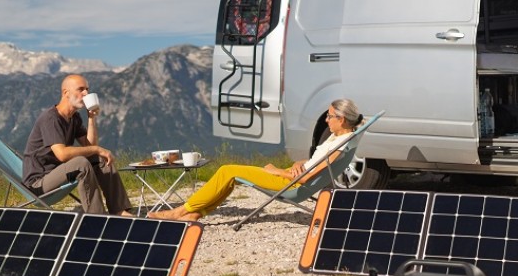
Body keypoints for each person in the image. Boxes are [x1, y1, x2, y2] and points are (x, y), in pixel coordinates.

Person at [148, 98, 364, 222]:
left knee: (227, 170)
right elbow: (314, 164)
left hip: (290, 183)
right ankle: (195, 212)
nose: (326, 121)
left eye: (329, 116)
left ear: (341, 119)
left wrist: (276, 170)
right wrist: (299, 164)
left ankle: (180, 212)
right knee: (230, 175)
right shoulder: (343, 137)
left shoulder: (338, 144)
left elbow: (306, 178)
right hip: (294, 175)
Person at [22, 74, 133, 216]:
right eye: (81, 89)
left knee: (101, 159)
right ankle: (98, 217)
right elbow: (62, 154)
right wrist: (97, 149)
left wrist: (91, 118)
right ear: (65, 93)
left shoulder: (74, 118)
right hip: (38, 184)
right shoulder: (51, 118)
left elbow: (91, 148)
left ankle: (119, 210)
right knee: (81, 163)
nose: (86, 93)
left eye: (87, 89)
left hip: (59, 174)